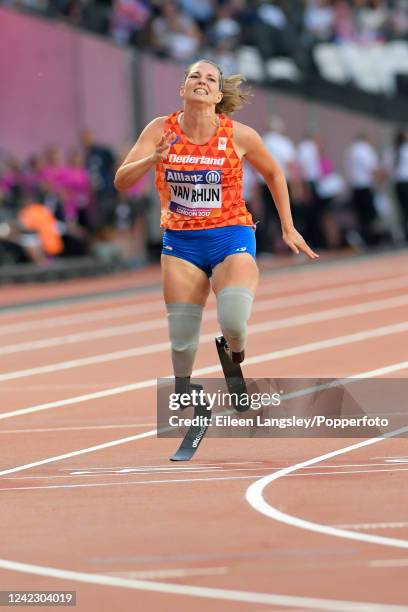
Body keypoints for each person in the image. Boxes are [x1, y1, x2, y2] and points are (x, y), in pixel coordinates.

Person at [115, 59, 318, 398]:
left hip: (230, 235)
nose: (202, 81)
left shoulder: (238, 134)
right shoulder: (158, 130)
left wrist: (288, 225)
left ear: (217, 94)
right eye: (194, 75)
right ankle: (185, 396)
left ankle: (233, 350)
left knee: (235, 321)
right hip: (181, 242)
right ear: (182, 89)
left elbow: (274, 173)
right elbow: (122, 180)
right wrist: (152, 159)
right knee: (181, 341)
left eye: (210, 79)